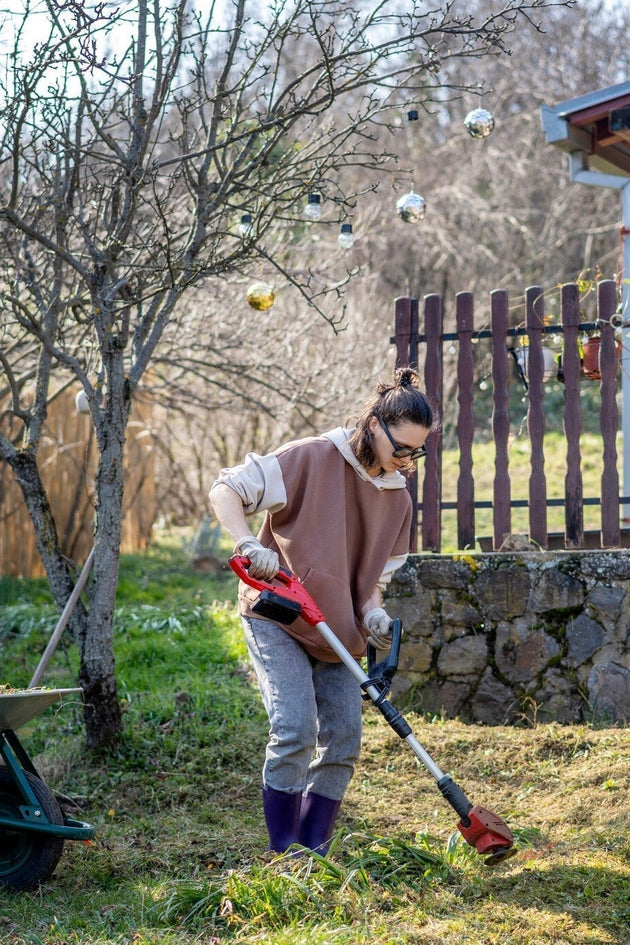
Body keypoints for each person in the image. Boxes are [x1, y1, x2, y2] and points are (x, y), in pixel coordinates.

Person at [209, 367, 434, 855]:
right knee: (294, 728)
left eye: (416, 451)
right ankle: (282, 851)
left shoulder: (398, 500)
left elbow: (372, 583)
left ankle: (312, 852)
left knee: (345, 742)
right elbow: (225, 490)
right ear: (374, 424)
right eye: (401, 447)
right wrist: (248, 542)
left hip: (339, 632)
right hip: (280, 615)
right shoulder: (309, 457)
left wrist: (374, 615)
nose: (407, 459)